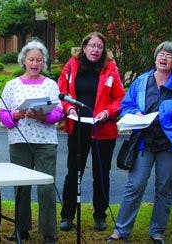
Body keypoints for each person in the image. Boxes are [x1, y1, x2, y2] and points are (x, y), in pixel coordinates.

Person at [106, 41, 172, 243]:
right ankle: (121, 230)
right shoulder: (141, 81)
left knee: (164, 188)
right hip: (143, 143)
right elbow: (126, 106)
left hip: (169, 146)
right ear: (155, 57)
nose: (163, 58)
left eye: (169, 56)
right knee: (134, 186)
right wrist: (133, 113)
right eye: (160, 54)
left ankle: (157, 231)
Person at [57, 32, 125, 232]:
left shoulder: (111, 69)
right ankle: (68, 216)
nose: (96, 50)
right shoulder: (71, 65)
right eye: (92, 45)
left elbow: (119, 98)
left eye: (100, 47)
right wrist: (67, 107)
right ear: (84, 47)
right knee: (73, 172)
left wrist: (108, 112)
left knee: (101, 173)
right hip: (77, 126)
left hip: (102, 128)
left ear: (104, 50)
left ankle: (100, 216)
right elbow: (62, 93)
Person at [0, 39, 63, 243]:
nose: (35, 63)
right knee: (21, 187)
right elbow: (2, 113)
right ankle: (21, 228)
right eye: (31, 59)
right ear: (23, 61)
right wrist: (16, 115)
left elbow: (59, 112)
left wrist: (42, 116)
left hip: (45, 142)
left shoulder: (50, 84)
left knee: (46, 187)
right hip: (19, 142)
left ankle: (49, 232)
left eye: (39, 60)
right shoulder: (12, 85)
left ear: (43, 63)